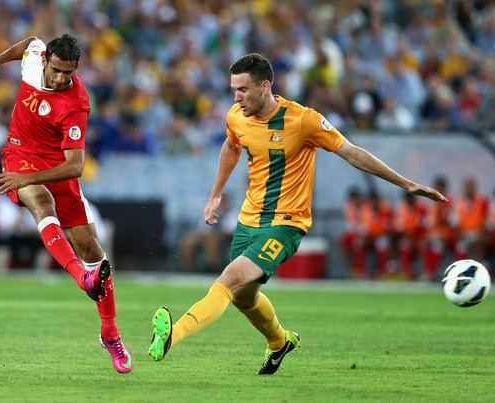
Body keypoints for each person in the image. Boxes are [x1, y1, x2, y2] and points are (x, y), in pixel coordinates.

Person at [148, 53, 447, 375]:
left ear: (265, 86)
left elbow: (352, 153)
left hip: (287, 225)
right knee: (243, 298)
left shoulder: (304, 120)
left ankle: (172, 337)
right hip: (249, 220)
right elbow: (232, 146)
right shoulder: (237, 116)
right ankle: (279, 342)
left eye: (243, 90)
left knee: (229, 281)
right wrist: (216, 193)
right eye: (234, 89)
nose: (236, 97)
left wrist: (405, 184)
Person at [0, 34, 132, 373]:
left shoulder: (76, 101)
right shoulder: (33, 56)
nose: (62, 78)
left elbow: (75, 166)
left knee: (93, 251)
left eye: (69, 73)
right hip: (20, 155)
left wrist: (26, 179)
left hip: (57, 168)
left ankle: (110, 333)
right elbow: (28, 41)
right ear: (45, 60)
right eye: (58, 70)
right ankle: (79, 278)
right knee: (41, 202)